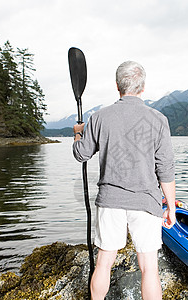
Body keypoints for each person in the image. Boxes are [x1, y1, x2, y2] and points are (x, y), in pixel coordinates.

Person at [73, 61, 176, 300]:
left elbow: (81, 154)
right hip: (146, 202)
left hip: (110, 201)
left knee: (104, 263)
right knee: (149, 268)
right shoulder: (158, 119)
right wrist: (170, 207)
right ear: (143, 87)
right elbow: (166, 169)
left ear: (117, 86)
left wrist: (79, 132)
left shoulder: (99, 118)